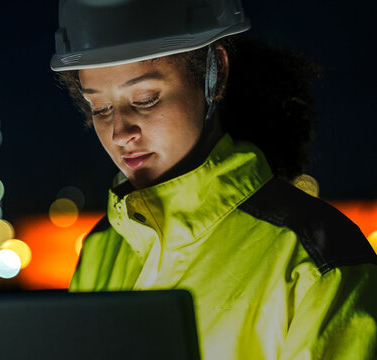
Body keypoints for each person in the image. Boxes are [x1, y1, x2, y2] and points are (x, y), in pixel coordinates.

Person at [50, 0, 377, 359]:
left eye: (145, 99)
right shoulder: (100, 248)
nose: (119, 132)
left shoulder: (314, 261)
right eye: (100, 108)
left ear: (214, 73)